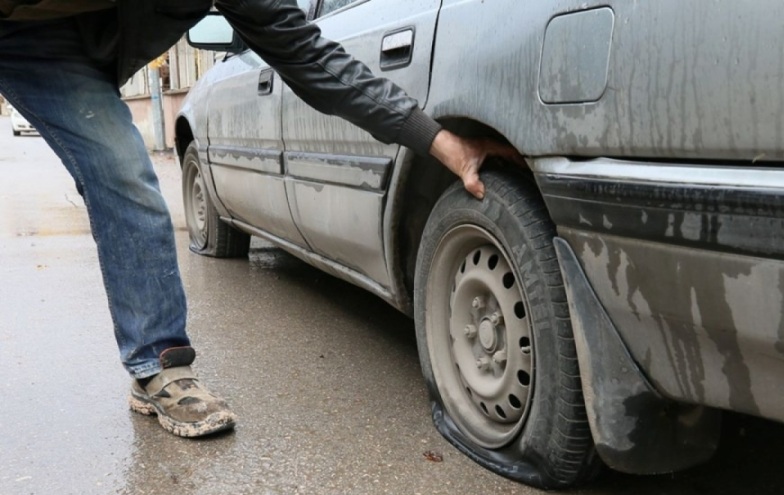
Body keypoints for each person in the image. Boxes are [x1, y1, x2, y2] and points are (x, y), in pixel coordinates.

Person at [0, 0, 521, 438]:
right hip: (22, 29)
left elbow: (312, 57)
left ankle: (158, 366)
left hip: (66, 54)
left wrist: (440, 143)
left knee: (125, 178)